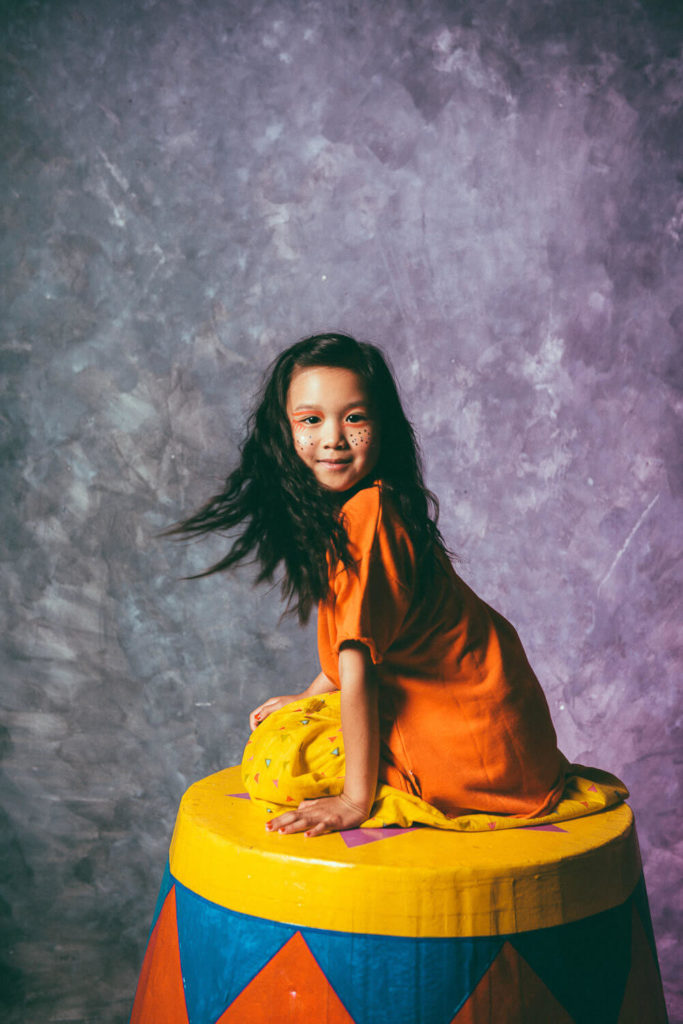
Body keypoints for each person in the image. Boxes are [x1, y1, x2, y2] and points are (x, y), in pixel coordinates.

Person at [170, 333, 623, 837]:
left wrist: (353, 800)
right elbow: (366, 642)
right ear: (285, 430)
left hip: (474, 758)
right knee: (294, 721)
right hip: (507, 748)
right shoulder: (371, 508)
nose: (333, 438)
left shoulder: (370, 515)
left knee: (276, 756)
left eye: (355, 418)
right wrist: (307, 697)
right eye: (311, 420)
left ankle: (401, 784)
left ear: (383, 426)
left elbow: (358, 664)